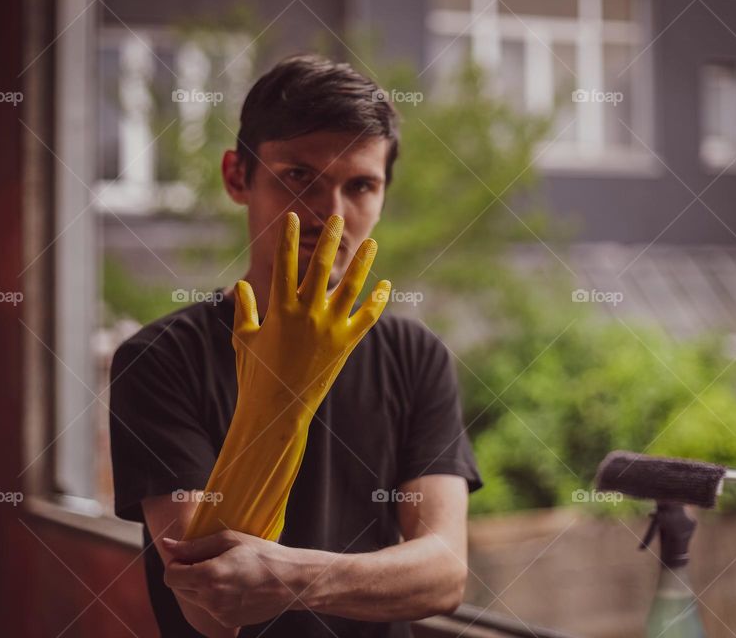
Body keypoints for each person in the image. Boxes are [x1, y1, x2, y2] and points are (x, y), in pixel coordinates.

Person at [109, 54, 483, 637]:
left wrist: (288, 575)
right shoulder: (161, 359)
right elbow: (208, 606)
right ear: (238, 176)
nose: (329, 215)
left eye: (360, 185)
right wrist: (278, 391)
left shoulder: (415, 355)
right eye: (299, 176)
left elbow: (444, 573)